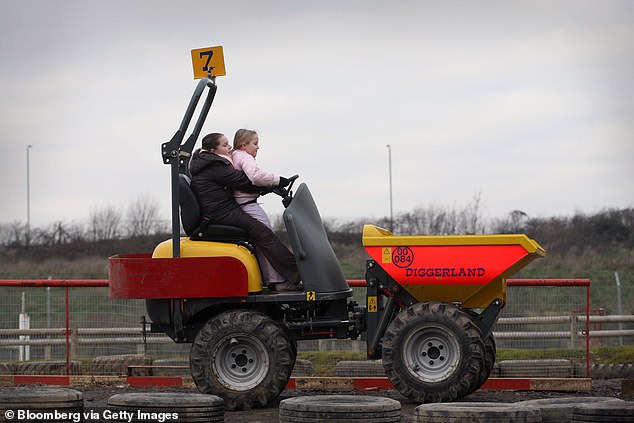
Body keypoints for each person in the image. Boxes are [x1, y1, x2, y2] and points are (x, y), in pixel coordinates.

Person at [189, 132, 302, 292]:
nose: (229, 147)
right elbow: (242, 181)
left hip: (222, 210)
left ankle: (280, 277)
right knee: (263, 233)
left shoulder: (209, 163)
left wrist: (267, 187)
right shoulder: (214, 165)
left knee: (262, 234)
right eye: (224, 145)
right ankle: (297, 272)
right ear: (213, 150)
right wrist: (276, 181)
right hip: (221, 213)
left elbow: (242, 183)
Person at [231, 129, 290, 288]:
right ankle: (276, 281)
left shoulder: (234, 156)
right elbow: (255, 176)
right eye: (255, 143)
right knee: (267, 240)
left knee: (263, 240)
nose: (258, 147)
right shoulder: (244, 156)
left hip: (242, 205)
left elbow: (245, 182)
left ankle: (271, 278)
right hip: (248, 206)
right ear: (244, 145)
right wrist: (278, 180)